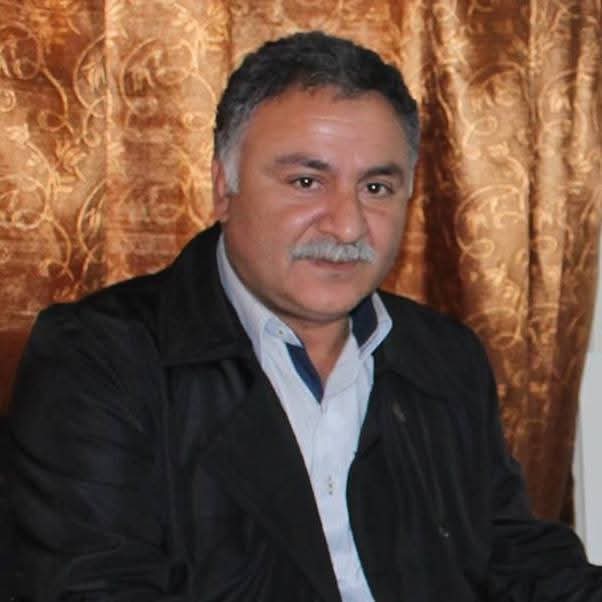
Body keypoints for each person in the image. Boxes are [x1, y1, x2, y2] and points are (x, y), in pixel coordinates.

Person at [8, 31, 602, 602]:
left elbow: (511, 557)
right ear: (222, 187)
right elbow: (95, 587)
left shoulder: (444, 355)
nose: (346, 225)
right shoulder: (100, 358)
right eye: (307, 181)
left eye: (375, 188)